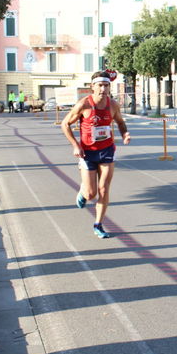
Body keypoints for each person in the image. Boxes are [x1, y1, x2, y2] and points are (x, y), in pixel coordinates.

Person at [61, 71, 131, 239]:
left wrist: (124, 134)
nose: (103, 88)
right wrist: (75, 145)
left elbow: (120, 122)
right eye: (99, 85)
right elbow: (65, 124)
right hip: (87, 152)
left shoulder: (113, 105)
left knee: (104, 188)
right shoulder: (83, 104)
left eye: (106, 85)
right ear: (92, 87)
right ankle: (83, 192)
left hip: (107, 150)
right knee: (91, 193)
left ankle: (98, 224)